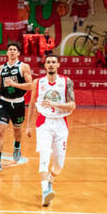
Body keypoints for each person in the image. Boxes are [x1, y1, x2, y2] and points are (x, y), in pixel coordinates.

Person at [26, 56, 76, 206]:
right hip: (44, 123)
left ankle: (50, 180)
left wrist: (54, 103)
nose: (51, 64)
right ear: (45, 66)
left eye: (54, 62)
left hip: (61, 123)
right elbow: (32, 104)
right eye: (48, 62)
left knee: (59, 166)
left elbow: (72, 105)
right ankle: (45, 192)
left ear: (58, 65)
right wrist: (28, 125)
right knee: (44, 156)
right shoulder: (38, 82)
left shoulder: (67, 82)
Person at [0, 42, 33, 172]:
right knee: (0, 131)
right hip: (4, 102)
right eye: (10, 49)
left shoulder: (24, 67)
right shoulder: (1, 68)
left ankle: (17, 145)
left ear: (18, 53)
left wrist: (15, 84)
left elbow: (31, 86)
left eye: (15, 49)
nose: (12, 51)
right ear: (7, 53)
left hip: (19, 103)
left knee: (17, 130)